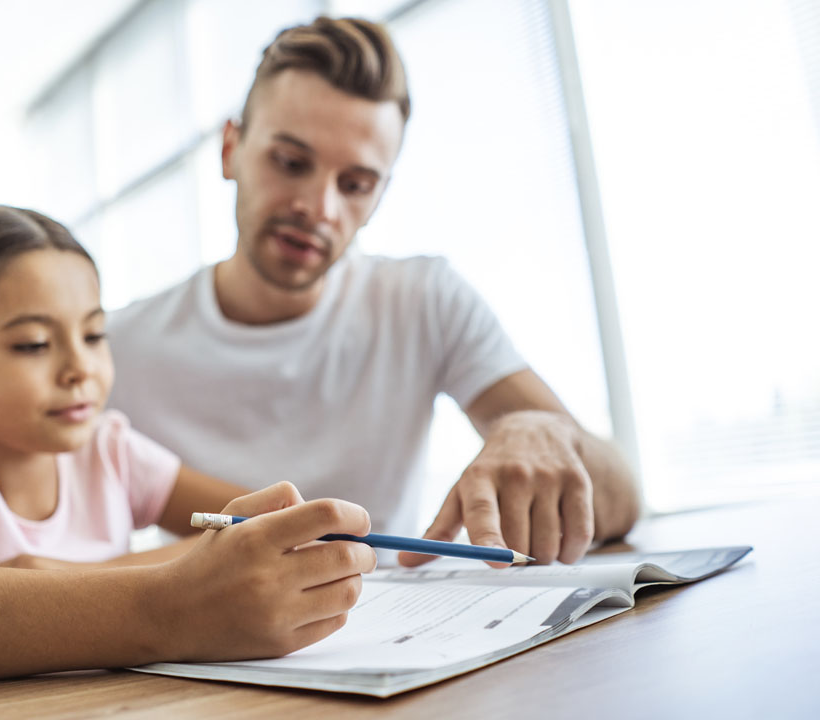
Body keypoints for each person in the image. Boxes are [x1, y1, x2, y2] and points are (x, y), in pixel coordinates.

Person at [106, 16, 641, 567]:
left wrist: (543, 430)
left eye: (356, 185)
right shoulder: (114, 347)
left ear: (382, 192)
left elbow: (624, 497)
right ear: (230, 149)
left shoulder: (423, 300)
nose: (319, 208)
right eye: (290, 163)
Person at [0, 206, 376, 687]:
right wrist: (162, 605)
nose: (79, 368)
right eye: (33, 344)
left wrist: (64, 575)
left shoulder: (108, 448)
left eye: (93, 334)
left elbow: (272, 529)